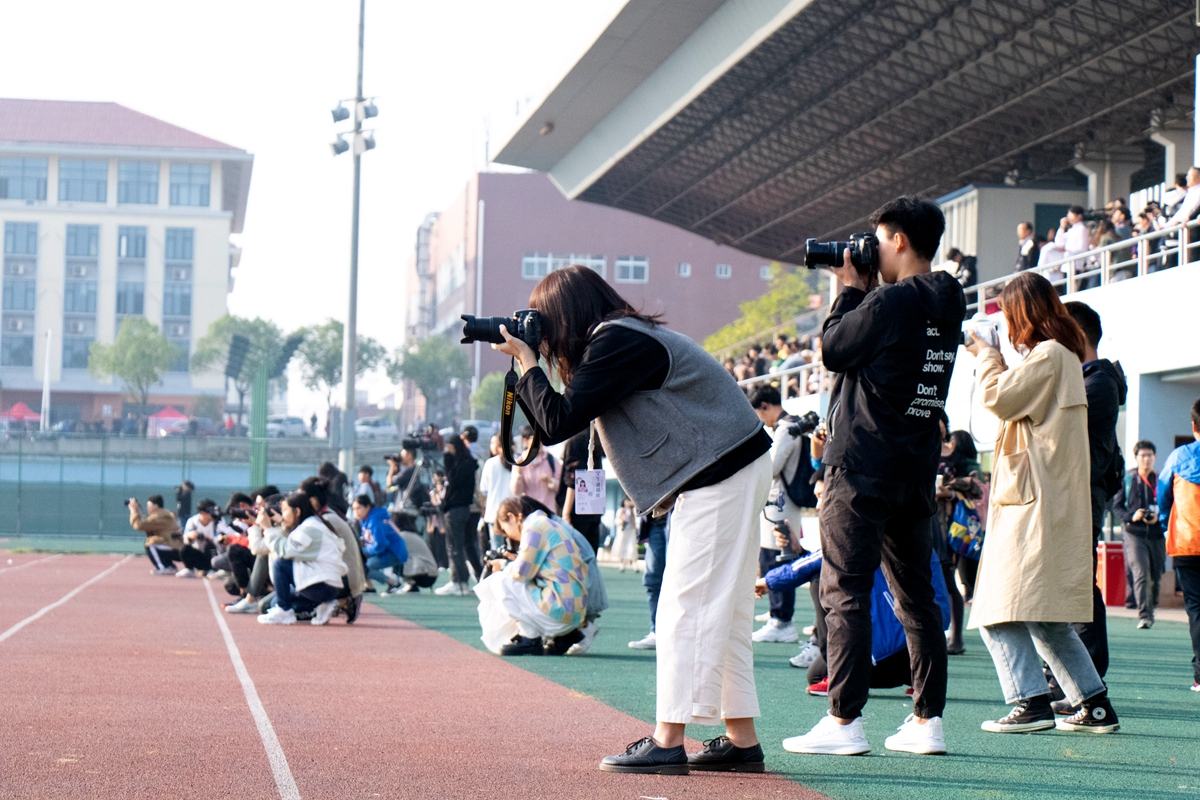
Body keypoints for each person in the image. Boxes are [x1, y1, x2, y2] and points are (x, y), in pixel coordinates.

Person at [495, 264, 772, 774]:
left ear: (567, 313)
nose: (544, 330)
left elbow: (557, 422)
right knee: (723, 611)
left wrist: (529, 362)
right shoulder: (622, 338)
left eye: (545, 318)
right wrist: (528, 366)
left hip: (719, 468)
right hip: (729, 464)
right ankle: (742, 741)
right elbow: (559, 416)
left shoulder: (617, 341)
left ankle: (668, 741)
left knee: (684, 608)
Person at [783, 196, 963, 758]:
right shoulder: (949, 299)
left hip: (859, 467)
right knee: (917, 599)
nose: (871, 250)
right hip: (912, 471)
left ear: (899, 240)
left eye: (878, 239)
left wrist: (848, 287)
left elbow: (835, 350)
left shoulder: (890, 303)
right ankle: (926, 720)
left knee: (845, 592)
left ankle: (843, 723)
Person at [965, 271, 1120, 734]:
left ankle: (1029, 702)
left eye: (1006, 314)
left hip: (1032, 505)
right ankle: (1093, 706)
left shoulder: (1050, 355)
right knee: (1046, 618)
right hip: (1043, 501)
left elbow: (998, 397)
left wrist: (987, 356)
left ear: (1022, 313)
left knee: (997, 609)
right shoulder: (1061, 356)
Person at [1063, 301, 1126, 683]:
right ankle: (1075, 677)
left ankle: (1086, 678)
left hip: (1082, 496)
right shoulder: (1091, 380)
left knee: (1078, 586)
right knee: (1073, 585)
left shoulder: (1097, 383)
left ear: (1079, 336)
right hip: (1078, 494)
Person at [475, 496, 589, 656]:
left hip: (560, 611)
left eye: (506, 530)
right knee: (510, 580)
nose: (508, 537)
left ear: (512, 517)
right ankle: (564, 635)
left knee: (499, 582)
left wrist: (503, 565)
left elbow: (521, 574)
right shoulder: (547, 524)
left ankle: (529, 638)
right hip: (574, 613)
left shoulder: (534, 528)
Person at [746, 383, 815, 645]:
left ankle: (783, 620)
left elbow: (772, 467)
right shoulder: (785, 426)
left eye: (758, 413)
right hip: (777, 502)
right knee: (770, 556)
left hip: (781, 502)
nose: (759, 419)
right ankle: (778, 613)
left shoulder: (787, 428)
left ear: (765, 406)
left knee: (779, 557)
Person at [258, 491, 349, 626]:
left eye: (284, 510)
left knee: (280, 564)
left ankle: (284, 611)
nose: (282, 515)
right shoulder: (314, 524)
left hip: (321, 587)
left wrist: (267, 528)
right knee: (272, 602)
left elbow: (283, 551)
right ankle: (323, 605)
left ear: (297, 511)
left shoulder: (308, 529)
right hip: (330, 585)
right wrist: (283, 524)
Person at [1160, 399, 1200, 690]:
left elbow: (1163, 496)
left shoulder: (1178, 457)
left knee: (1196, 609)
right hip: (1186, 545)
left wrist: (1164, 525)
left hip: (1187, 544)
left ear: (1193, 426)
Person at [1115, 440, 1165, 628]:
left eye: (1149, 455)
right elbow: (1116, 506)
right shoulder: (1128, 480)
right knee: (1141, 573)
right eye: (1142, 456)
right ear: (1136, 458)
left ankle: (1151, 606)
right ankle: (1145, 615)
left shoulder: (1161, 480)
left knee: (1156, 574)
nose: (1146, 459)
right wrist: (1132, 516)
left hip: (1157, 533)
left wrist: (1158, 517)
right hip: (1134, 533)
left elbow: (1170, 505)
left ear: (1155, 457)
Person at [435, 437, 481, 596]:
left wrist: (448, 461)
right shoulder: (468, 463)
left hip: (456, 508)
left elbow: (453, 480)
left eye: (450, 448)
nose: (448, 451)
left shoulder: (463, 465)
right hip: (461, 508)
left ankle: (459, 581)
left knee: (454, 546)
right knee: (456, 546)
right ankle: (460, 580)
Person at [560, 427, 606, 552]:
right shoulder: (596, 437)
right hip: (594, 508)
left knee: (575, 556)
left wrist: (565, 514)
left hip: (577, 510)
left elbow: (573, 480)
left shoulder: (575, 440)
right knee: (590, 555)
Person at [353, 495, 409, 595]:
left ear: (367, 507)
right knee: (359, 560)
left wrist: (364, 551)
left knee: (364, 566)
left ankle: (393, 583)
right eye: (354, 509)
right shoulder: (364, 519)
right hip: (384, 550)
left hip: (394, 552)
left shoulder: (375, 519)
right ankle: (368, 586)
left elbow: (380, 544)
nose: (356, 511)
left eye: (358, 508)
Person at [628, 513, 668, 651]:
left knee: (680, 581)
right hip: (656, 522)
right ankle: (657, 632)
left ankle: (679, 635)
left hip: (682, 519)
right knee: (652, 580)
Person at [510, 425, 560, 511]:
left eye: (540, 439)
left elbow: (560, 486)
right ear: (525, 441)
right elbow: (516, 491)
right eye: (535, 439)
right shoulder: (520, 462)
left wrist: (549, 480)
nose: (539, 443)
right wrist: (518, 474)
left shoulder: (551, 460)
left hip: (548, 511)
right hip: (529, 511)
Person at [130, 494, 182, 574]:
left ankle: (163, 567)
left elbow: (139, 525)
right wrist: (138, 511)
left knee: (150, 544)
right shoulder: (163, 513)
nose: (147, 508)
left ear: (155, 506)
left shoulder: (159, 516)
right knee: (156, 541)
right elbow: (146, 524)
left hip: (175, 549)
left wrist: (133, 511)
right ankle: (169, 566)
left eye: (149, 505)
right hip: (175, 546)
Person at [479, 434, 515, 549]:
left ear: (500, 445)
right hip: (513, 513)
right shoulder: (518, 460)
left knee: (496, 548)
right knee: (513, 547)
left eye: (494, 443)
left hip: (493, 513)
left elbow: (483, 490)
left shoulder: (490, 463)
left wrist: (483, 507)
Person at [391, 513, 440, 592]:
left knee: (394, 558)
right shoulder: (413, 535)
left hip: (424, 575)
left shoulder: (401, 536)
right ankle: (411, 584)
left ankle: (408, 583)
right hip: (430, 574)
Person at [611, 498, 638, 571]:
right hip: (623, 531)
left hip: (631, 531)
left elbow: (638, 519)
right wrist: (621, 522)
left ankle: (635, 564)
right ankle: (621, 564)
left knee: (632, 547)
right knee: (622, 547)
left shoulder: (634, 510)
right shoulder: (621, 510)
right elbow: (616, 520)